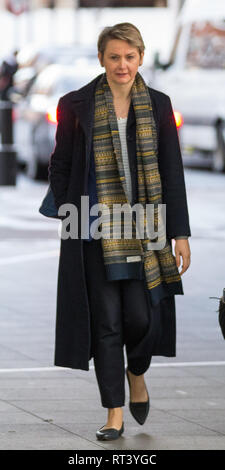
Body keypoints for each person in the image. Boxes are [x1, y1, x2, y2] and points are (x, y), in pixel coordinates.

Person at [48, 23, 191, 441]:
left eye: (129, 57)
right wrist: (69, 211)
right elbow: (60, 166)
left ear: (141, 57)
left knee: (142, 318)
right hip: (94, 230)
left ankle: (137, 371)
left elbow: (173, 173)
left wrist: (180, 233)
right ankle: (114, 412)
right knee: (107, 323)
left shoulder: (160, 105)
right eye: (114, 57)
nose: (122, 65)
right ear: (102, 59)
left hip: (147, 230)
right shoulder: (76, 105)